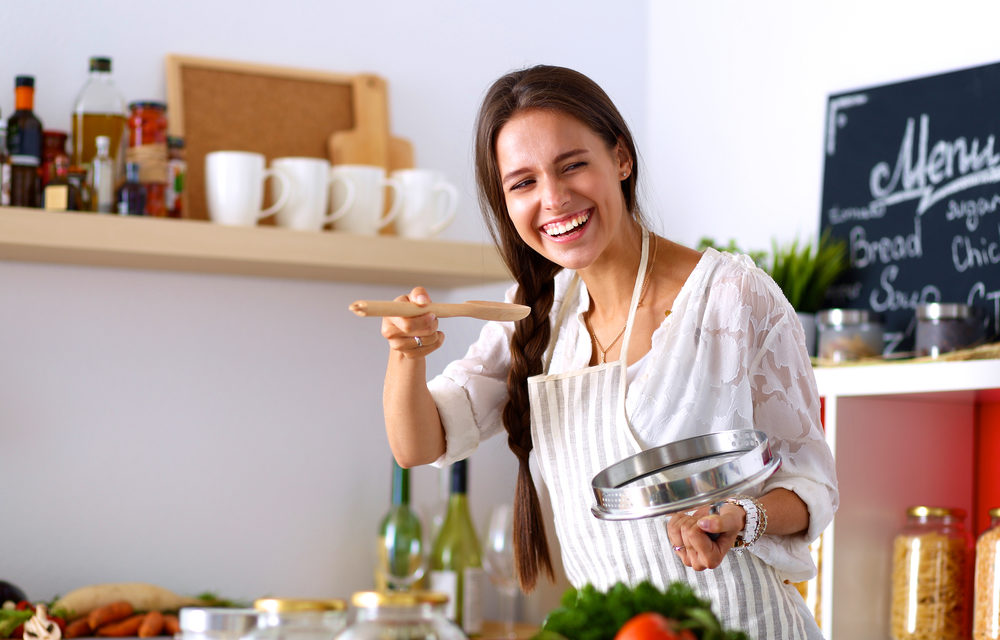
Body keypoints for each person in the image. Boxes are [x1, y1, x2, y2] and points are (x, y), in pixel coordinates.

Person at [380, 64, 838, 639]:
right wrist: (407, 353)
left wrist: (744, 517)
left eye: (573, 165)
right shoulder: (533, 310)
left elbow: (812, 484)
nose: (553, 198)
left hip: (747, 627)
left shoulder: (730, 297)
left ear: (620, 158)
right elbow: (418, 443)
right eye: (523, 182)